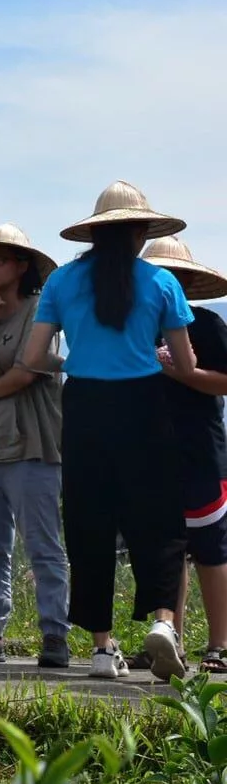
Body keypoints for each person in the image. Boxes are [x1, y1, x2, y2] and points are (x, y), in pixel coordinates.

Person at [22, 181, 195, 682]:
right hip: (143, 402)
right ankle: (164, 622)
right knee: (158, 518)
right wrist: (156, 356)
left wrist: (72, 359)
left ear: (94, 234)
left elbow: (33, 357)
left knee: (89, 522)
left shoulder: (62, 282)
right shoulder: (163, 283)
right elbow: (185, 364)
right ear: (142, 232)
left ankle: (101, 649)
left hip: (85, 404)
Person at [0, 224, 72, 668]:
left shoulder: (42, 312)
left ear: (22, 266)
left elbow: (27, 369)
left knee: (43, 544)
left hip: (31, 445)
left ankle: (55, 635)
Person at [142, 237, 227, 673]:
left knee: (210, 550)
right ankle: (167, 633)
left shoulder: (209, 325)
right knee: (164, 548)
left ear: (188, 283)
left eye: (172, 276)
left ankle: (219, 645)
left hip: (201, 453)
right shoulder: (139, 328)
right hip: (154, 454)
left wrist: (184, 373)